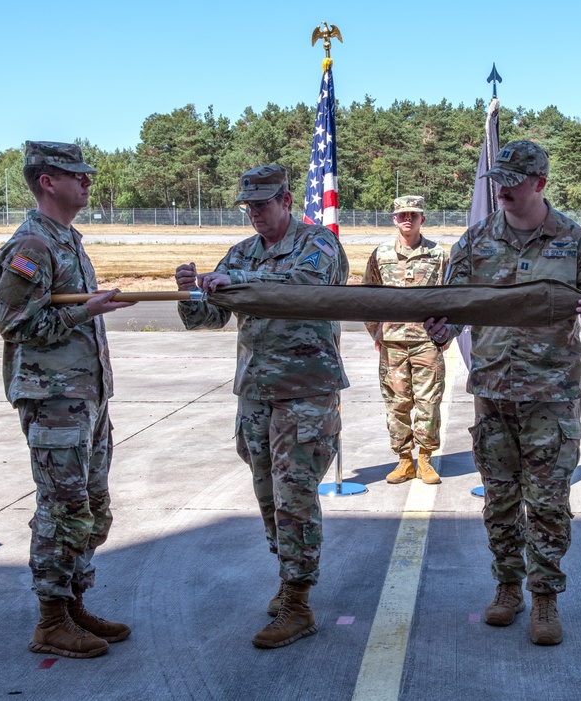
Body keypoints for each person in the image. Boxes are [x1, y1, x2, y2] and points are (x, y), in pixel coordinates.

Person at [423, 140, 581, 645]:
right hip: (493, 392)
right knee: (498, 500)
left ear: (540, 183)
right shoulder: (472, 244)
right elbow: (452, 310)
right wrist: (440, 330)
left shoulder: (575, 242)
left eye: (514, 181)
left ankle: (545, 598)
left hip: (551, 396)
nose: (504, 190)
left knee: (549, 502)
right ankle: (507, 587)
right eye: (498, 181)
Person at [175, 165, 349, 649]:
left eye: (263, 203)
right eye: (248, 205)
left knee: (294, 494)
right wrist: (193, 291)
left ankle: (298, 600)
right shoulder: (243, 251)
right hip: (256, 391)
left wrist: (236, 278)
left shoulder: (318, 244)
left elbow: (301, 287)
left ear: (287, 200)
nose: (254, 212)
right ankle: (287, 575)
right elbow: (210, 318)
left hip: (305, 391)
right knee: (267, 491)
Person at [0, 141, 136, 659]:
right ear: (48, 180)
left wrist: (89, 311)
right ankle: (50, 620)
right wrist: (86, 310)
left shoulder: (69, 241)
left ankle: (73, 604)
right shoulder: (33, 247)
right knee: (61, 507)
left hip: (86, 399)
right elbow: (14, 325)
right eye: (78, 175)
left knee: (92, 506)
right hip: (54, 401)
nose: (88, 182)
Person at [363, 195, 448, 486]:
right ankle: (403, 459)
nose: (407, 219)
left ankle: (424, 458)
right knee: (396, 403)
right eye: (402, 215)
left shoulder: (438, 255)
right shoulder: (381, 253)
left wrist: (446, 334)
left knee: (428, 402)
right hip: (393, 343)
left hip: (426, 342)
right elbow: (368, 295)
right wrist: (377, 332)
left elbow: (450, 297)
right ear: (394, 219)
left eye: (413, 214)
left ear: (422, 218)